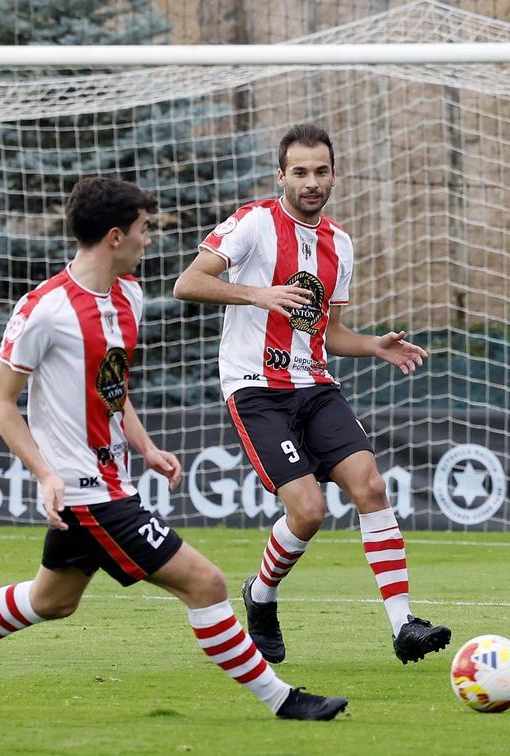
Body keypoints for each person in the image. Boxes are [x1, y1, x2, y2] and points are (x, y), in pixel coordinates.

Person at [0, 177, 346, 721]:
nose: (149, 239)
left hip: (111, 480)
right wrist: (44, 473)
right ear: (115, 235)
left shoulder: (128, 295)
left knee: (52, 601)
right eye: (144, 228)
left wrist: (147, 447)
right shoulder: (45, 309)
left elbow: (111, 389)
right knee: (205, 583)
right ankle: (283, 700)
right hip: (87, 492)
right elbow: (1, 402)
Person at [172, 124, 451, 666]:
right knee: (308, 511)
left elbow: (328, 333)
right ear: (281, 176)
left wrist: (375, 346)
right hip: (256, 390)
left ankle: (403, 626)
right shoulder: (253, 224)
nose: (311, 181)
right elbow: (187, 283)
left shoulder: (339, 243)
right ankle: (260, 594)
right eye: (299, 172)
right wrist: (258, 294)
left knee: (370, 486)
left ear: (334, 175)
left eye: (321, 171)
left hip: (315, 385)